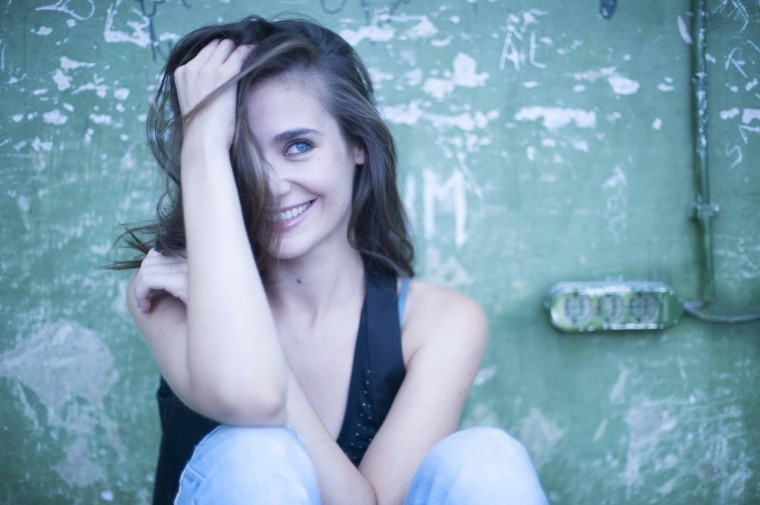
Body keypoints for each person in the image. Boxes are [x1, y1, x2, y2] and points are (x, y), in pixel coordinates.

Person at [117, 14, 548, 505]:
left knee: (488, 458)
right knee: (253, 452)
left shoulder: (439, 321)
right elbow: (252, 397)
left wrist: (236, 320)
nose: (270, 186)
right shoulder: (169, 290)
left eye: (298, 146)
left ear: (357, 144)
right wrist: (201, 142)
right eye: (236, 157)